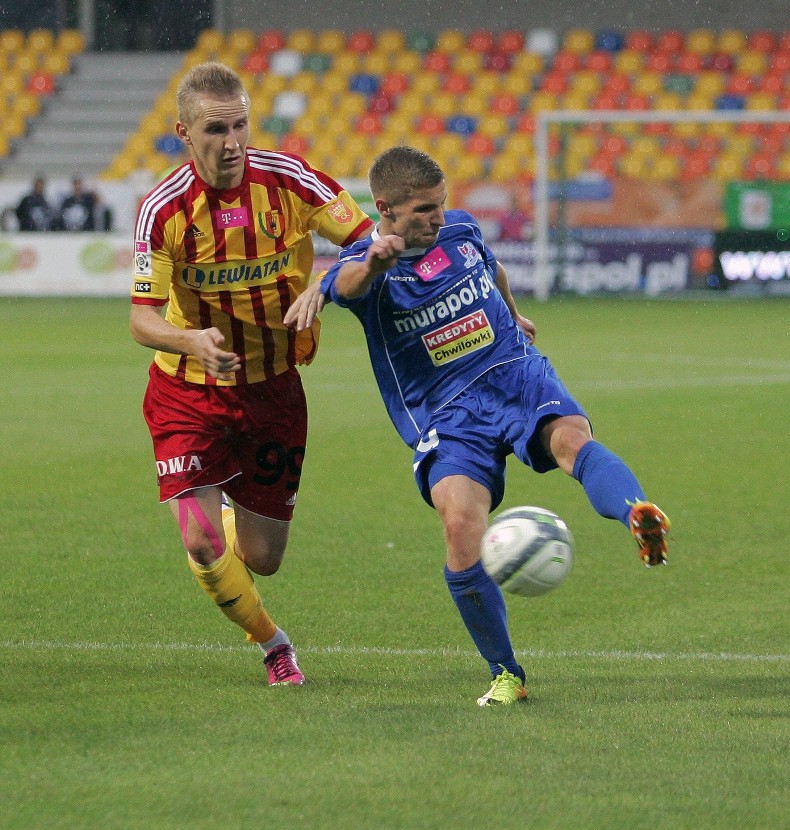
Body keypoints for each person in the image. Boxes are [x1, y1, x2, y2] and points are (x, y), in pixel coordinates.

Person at [285, 146, 670, 706]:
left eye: (441, 205)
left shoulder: (459, 230)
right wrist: (375, 259)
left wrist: (512, 312)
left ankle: (637, 510)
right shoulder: (369, 268)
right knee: (461, 527)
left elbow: (492, 266)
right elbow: (346, 285)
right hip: (447, 413)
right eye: (423, 210)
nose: (438, 218)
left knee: (570, 440)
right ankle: (507, 672)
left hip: (512, 371)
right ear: (384, 208)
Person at [130, 62, 373, 686]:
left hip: (273, 392)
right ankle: (274, 645)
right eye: (216, 129)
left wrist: (325, 284)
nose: (232, 141)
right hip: (185, 393)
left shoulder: (289, 182)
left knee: (262, 558)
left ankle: (232, 507)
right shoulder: (163, 210)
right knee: (202, 543)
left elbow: (368, 241)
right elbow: (141, 319)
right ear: (182, 131)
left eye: (240, 124)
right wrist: (189, 338)